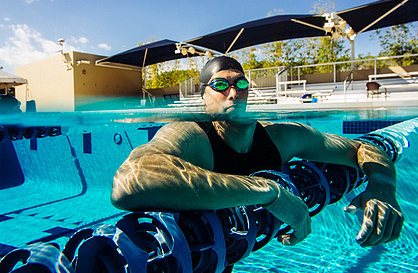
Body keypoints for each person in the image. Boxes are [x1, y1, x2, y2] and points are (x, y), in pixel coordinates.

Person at [111, 56, 403, 251]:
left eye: (240, 83)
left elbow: (364, 148)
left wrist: (382, 187)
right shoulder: (192, 134)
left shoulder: (281, 137)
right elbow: (130, 183)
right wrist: (268, 191)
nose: (233, 93)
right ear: (203, 97)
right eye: (220, 85)